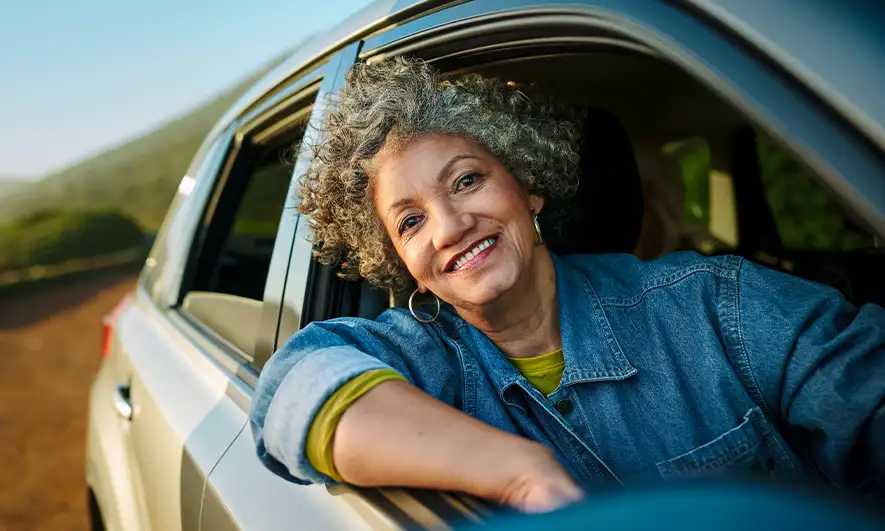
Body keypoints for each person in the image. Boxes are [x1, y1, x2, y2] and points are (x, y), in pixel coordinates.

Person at [249, 57, 885, 513]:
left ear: (527, 186)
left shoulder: (715, 303)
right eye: (410, 220)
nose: (449, 226)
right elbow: (289, 389)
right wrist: (519, 473)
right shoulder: (420, 354)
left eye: (467, 180)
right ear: (398, 257)